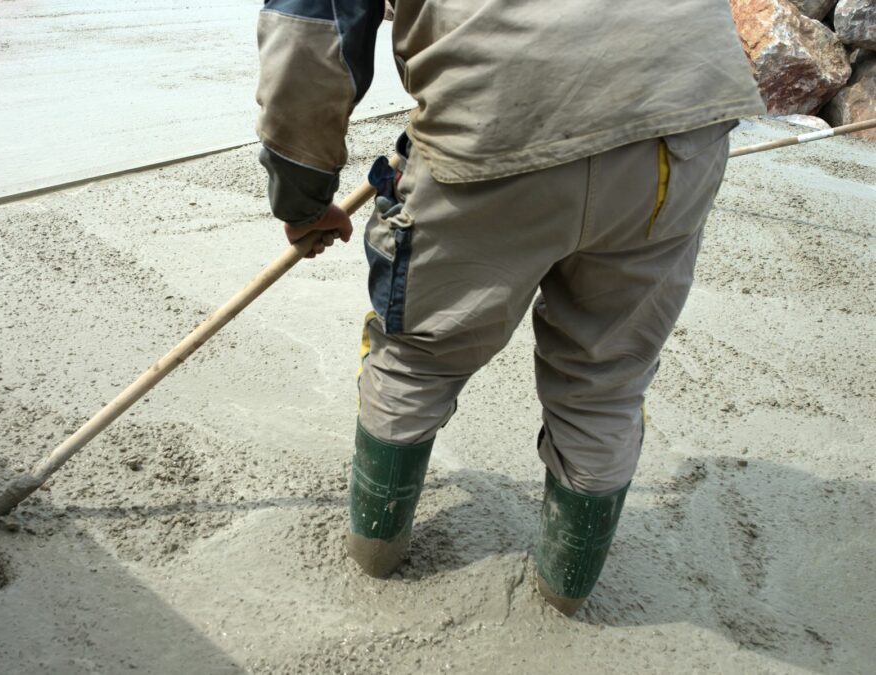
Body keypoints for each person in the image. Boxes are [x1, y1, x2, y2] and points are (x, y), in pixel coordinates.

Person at [254, 0, 763, 615]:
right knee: (607, 377)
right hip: (678, 123)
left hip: (499, 129)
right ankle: (565, 595)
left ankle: (375, 560)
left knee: (418, 360)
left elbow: (307, 36)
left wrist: (303, 201)